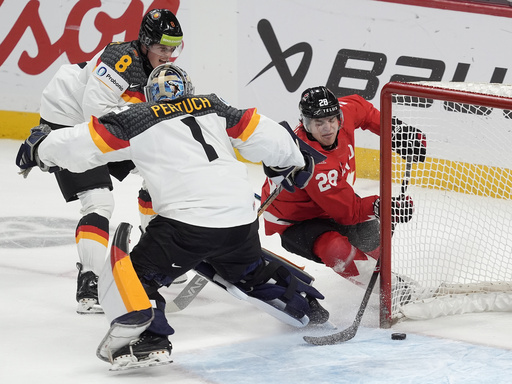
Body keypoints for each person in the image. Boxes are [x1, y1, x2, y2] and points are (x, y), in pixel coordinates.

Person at [15, 63, 328, 370]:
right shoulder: (213, 106)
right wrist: (294, 159)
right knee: (248, 271)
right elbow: (266, 132)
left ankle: (149, 338)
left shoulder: (135, 117)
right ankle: (305, 303)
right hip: (240, 222)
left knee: (136, 277)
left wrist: (39, 148)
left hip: (185, 227)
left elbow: (82, 144)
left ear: (150, 95)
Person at [36, 9, 186, 314]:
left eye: (173, 48)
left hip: (108, 126)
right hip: (69, 121)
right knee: (99, 201)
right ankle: (89, 280)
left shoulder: (160, 72)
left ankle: (156, 251)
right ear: (145, 43)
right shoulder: (122, 59)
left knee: (159, 173)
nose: (168, 56)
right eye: (162, 48)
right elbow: (97, 118)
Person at [260, 86, 426, 286]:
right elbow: (349, 212)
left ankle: (387, 280)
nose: (327, 128)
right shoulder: (311, 163)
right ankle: (390, 290)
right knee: (336, 249)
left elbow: (363, 109)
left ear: (339, 116)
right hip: (295, 221)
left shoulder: (343, 113)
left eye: (331, 120)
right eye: (318, 123)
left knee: (373, 237)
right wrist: (384, 207)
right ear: (305, 124)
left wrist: (397, 131)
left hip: (331, 203)